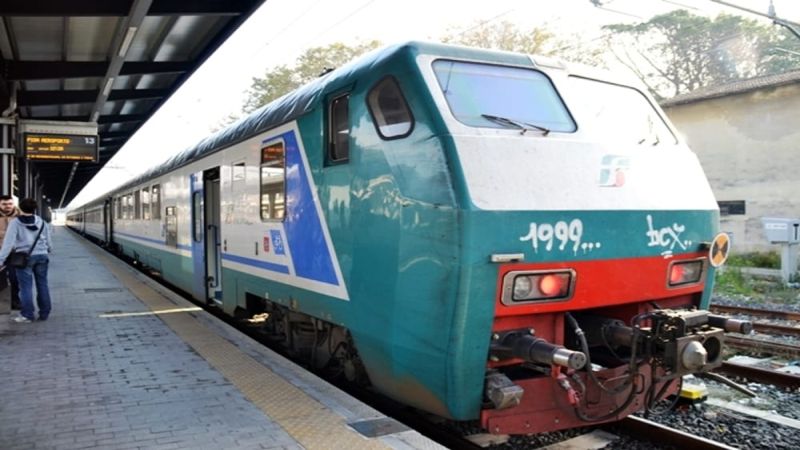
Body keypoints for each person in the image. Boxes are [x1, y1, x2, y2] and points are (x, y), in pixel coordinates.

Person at [0, 198, 52, 323]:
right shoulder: (41, 222)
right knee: (42, 285)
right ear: (35, 209)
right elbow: (48, 241)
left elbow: (8, 243)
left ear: (20, 208)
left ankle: (27, 315)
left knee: (25, 287)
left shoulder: (15, 223)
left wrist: (1, 260)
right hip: (42, 256)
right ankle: (44, 313)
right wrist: (48, 249)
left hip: (24, 258)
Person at [0, 195, 21, 309]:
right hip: (0, 252)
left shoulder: (20, 217)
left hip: (15, 253)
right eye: (4, 204)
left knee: (14, 278)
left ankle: (15, 300)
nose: (7, 206)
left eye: (10, 204)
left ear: (13, 204)